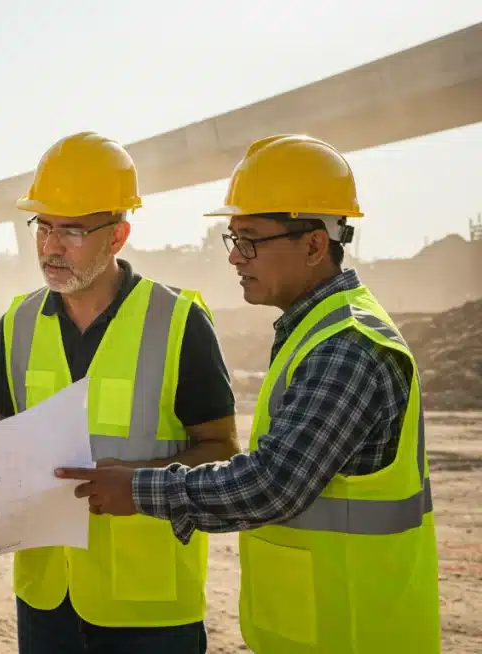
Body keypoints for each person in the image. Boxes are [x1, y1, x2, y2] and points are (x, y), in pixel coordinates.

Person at [62, 134, 441, 653]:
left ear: (313, 245)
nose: (236, 258)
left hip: (353, 634)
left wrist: (138, 489)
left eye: (251, 240)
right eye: (232, 239)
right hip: (320, 629)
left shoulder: (347, 348)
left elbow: (272, 484)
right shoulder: (312, 334)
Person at [0, 131, 239, 654]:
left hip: (149, 603)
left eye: (74, 230)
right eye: (44, 226)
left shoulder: (178, 322)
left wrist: (138, 483)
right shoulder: (16, 323)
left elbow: (222, 450)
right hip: (47, 598)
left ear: (118, 236)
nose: (51, 246)